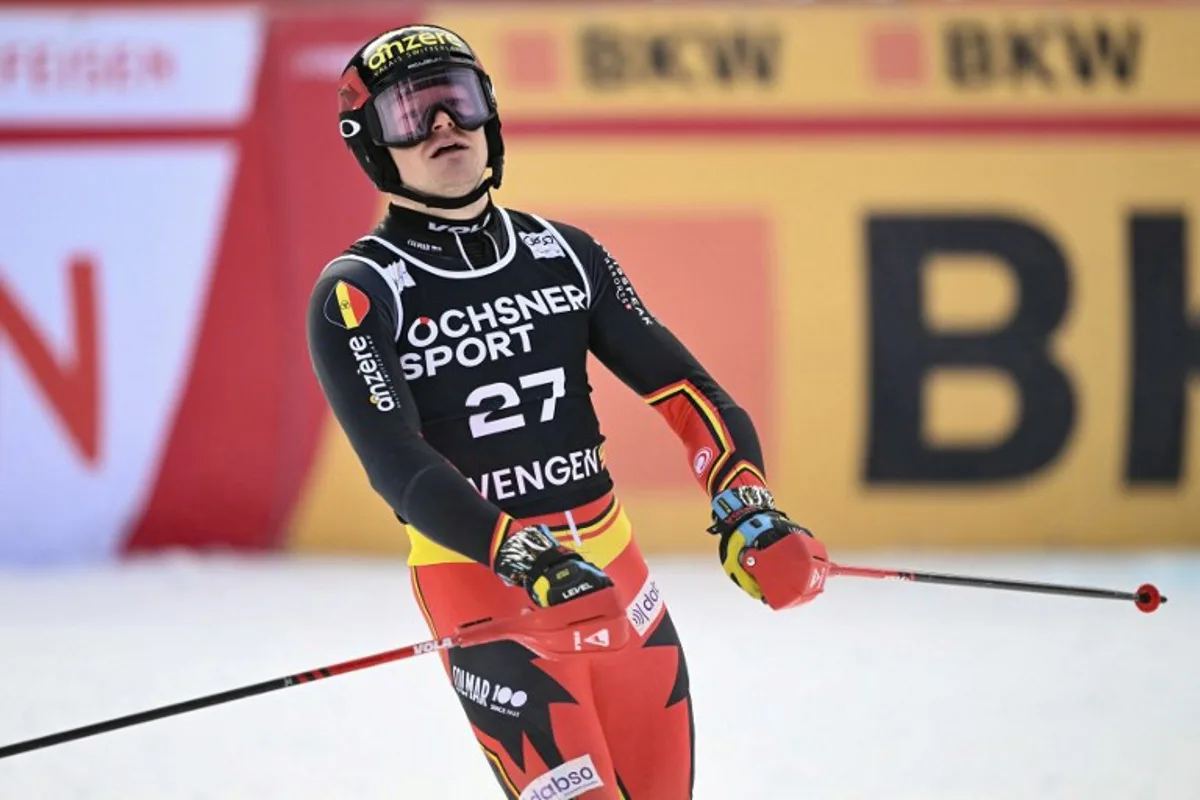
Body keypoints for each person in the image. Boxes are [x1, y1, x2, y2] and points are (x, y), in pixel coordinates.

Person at [306, 23, 830, 800]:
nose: (445, 127)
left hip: (619, 582)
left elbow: (690, 397)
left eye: (458, 101)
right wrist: (520, 552)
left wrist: (748, 507)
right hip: (492, 596)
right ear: (372, 145)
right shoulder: (356, 290)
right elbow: (399, 466)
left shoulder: (565, 252)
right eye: (413, 114)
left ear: (491, 114)